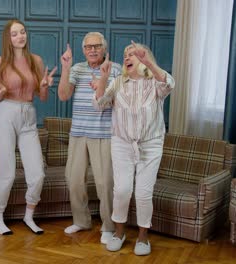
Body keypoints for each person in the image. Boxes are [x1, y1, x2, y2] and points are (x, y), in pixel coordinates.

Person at [91, 41, 175, 256]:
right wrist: (102, 77)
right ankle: (119, 233)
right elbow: (99, 103)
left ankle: (143, 238)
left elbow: (169, 84)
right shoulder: (118, 82)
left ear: (144, 58)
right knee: (122, 190)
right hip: (122, 143)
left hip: (151, 143)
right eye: (125, 55)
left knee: (143, 193)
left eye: (132, 54)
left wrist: (150, 64)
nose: (127, 57)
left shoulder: (155, 82)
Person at [0, 19, 57, 235]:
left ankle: (29, 216)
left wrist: (45, 85)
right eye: (15, 34)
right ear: (8, 39)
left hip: (29, 115)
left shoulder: (35, 61)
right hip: (5, 115)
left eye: (23, 32)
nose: (20, 36)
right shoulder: (0, 62)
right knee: (6, 173)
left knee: (37, 173)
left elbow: (43, 97)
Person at [57, 32, 121, 245]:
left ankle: (109, 226)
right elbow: (64, 95)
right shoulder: (77, 69)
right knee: (73, 180)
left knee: (105, 183)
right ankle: (82, 221)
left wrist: (102, 82)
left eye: (97, 46)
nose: (92, 50)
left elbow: (118, 102)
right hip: (78, 133)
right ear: (83, 50)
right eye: (88, 47)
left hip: (104, 135)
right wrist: (66, 68)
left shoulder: (116, 69)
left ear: (104, 48)